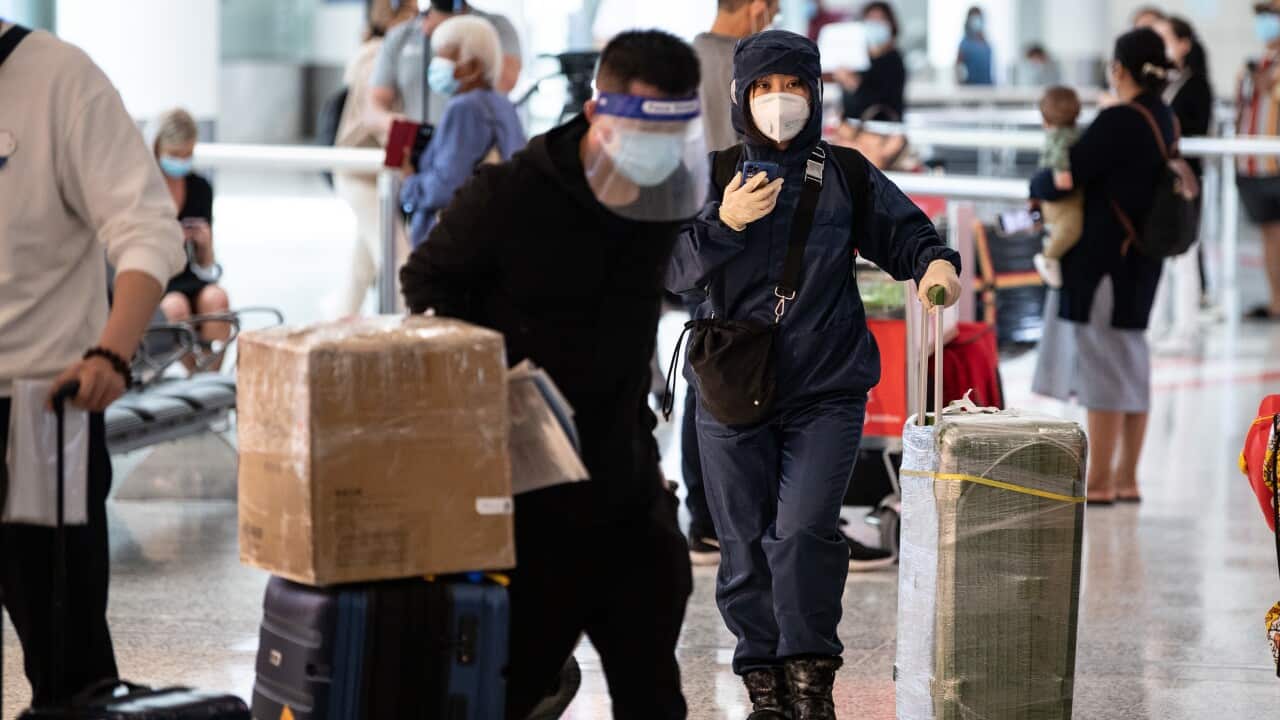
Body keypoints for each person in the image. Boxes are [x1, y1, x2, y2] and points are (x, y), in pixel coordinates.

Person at [400, 30, 704, 719]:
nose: (656, 150)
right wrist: (500, 381)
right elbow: (425, 279)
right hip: (530, 498)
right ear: (599, 112)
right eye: (642, 127)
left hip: (626, 490)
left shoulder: (665, 192)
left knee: (654, 689)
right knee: (511, 689)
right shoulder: (511, 194)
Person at [667, 29, 961, 720]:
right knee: (742, 542)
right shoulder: (709, 176)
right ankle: (763, 678)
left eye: (792, 87)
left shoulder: (847, 173)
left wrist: (934, 263)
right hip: (732, 386)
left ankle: (810, 674)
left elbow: (909, 235)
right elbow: (666, 269)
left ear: (816, 93)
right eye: (764, 88)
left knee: (803, 531)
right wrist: (722, 223)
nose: (778, 102)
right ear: (740, 97)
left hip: (825, 383)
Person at [0, 21, 184, 703]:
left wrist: (112, 350)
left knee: (66, 651)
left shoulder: (60, 79)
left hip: (41, 410)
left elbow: (148, 231)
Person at [1030, 28, 1177, 504]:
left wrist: (1037, 181)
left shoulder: (1119, 121)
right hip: (1142, 262)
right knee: (1131, 367)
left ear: (1119, 70)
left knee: (1103, 374)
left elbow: (1064, 174)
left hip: (1104, 265)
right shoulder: (1165, 117)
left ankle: (1100, 483)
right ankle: (1127, 477)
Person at [684, 0, 779, 567]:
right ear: (753, 6)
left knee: (721, 367)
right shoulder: (727, 61)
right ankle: (707, 518)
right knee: (712, 371)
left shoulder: (692, 59)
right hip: (717, 231)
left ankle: (721, 516)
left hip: (730, 232)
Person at [399, 15, 525, 249]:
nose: (436, 65)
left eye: (444, 57)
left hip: (454, 248)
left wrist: (409, 182)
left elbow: (446, 186)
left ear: (474, 67)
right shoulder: (504, 105)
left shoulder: (465, 108)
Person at [333, 0, 418, 317]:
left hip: (378, 171)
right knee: (398, 259)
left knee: (361, 270)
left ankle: (337, 329)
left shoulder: (381, 51)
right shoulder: (378, 55)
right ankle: (401, 336)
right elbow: (381, 118)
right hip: (362, 171)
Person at [365, 0, 521, 142]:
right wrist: (399, 127)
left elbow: (505, 82)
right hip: (422, 148)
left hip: (474, 145)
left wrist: (454, 29)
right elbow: (373, 108)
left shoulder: (496, 27)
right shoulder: (402, 35)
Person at [1150, 15, 1213, 349]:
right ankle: (1157, 324)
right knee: (1158, 256)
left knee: (1184, 256)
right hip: (1158, 181)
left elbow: (1191, 128)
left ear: (1184, 43)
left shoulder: (1195, 84)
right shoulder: (1159, 82)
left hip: (1183, 182)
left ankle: (1186, 329)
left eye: (1166, 39)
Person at [150, 109, 231, 372]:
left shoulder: (200, 189)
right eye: (175, 155)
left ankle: (210, 378)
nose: (181, 162)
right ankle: (194, 376)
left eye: (187, 154)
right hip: (157, 280)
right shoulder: (144, 190)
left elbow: (207, 267)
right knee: (175, 308)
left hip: (192, 278)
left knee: (217, 300)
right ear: (157, 148)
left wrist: (205, 244)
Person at [1237, 0, 1280, 321]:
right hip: (1254, 164)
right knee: (1269, 234)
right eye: (1263, 15)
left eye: (1273, 14)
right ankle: (1276, 301)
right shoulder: (1258, 63)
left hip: (1275, 163)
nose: (1266, 22)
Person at [1032, 87, 1083, 289]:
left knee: (1064, 227)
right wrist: (1062, 174)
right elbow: (1060, 157)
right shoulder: (1065, 136)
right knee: (1071, 228)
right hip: (1063, 199)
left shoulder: (1057, 135)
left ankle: (1051, 252)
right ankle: (1049, 256)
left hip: (1055, 198)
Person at [834, 2, 906, 122]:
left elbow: (881, 101)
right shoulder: (858, 59)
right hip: (855, 130)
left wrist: (852, 84)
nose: (875, 23)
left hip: (883, 130)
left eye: (880, 19)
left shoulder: (893, 58)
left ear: (891, 24)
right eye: (871, 19)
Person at [956, 6, 994, 86]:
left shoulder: (986, 43)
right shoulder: (965, 43)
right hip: (970, 88)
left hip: (988, 87)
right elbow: (958, 68)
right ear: (969, 20)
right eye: (974, 18)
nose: (977, 21)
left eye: (979, 17)